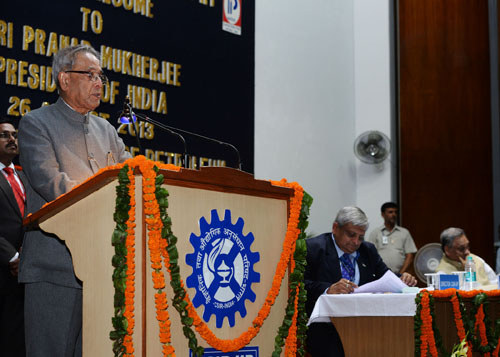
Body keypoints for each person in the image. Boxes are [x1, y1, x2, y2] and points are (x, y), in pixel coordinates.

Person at [18, 44, 131, 357]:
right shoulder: (36, 124)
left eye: (101, 76)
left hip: (103, 269)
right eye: (90, 75)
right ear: (64, 79)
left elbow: (132, 175)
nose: (99, 83)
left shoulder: (107, 130)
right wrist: (108, 197)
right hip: (54, 269)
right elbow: (52, 184)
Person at [304, 206, 417, 356]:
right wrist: (328, 289)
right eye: (351, 235)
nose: (356, 242)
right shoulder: (314, 248)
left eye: (361, 237)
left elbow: (385, 275)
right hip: (326, 326)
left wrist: (402, 278)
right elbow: (301, 285)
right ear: (335, 228)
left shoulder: (367, 250)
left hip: (365, 323)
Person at [0, 119, 26, 356]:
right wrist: (12, 256)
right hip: (4, 269)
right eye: (4, 135)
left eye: (14, 135)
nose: (12, 140)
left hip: (28, 270)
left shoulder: (24, 176)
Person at [367, 202, 417, 274]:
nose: (393, 215)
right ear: (383, 214)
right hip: (381, 275)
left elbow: (410, 256)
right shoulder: (375, 233)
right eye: (390, 212)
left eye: (395, 212)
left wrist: (400, 274)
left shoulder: (404, 232)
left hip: (401, 275)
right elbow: (370, 255)